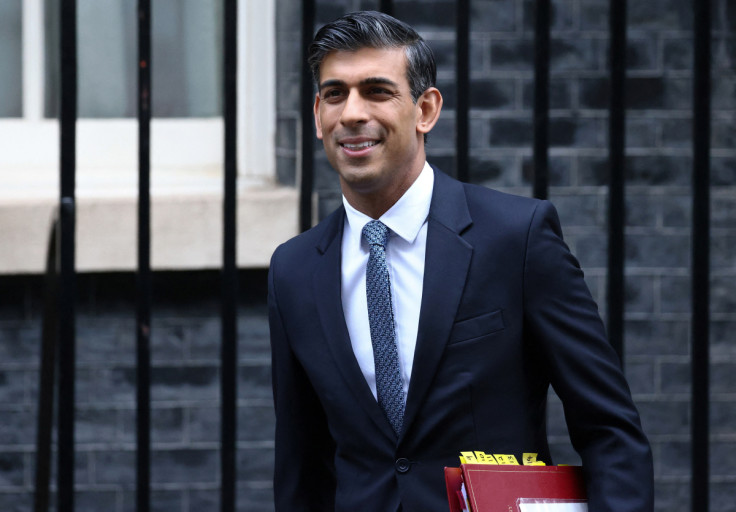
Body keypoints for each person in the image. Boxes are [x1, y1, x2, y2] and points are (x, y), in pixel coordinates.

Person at [268, 10, 653, 512]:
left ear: (426, 109)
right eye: (336, 94)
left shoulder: (517, 239)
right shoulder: (293, 270)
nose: (352, 113)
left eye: (378, 91)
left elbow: (610, 431)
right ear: (318, 113)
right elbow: (301, 468)